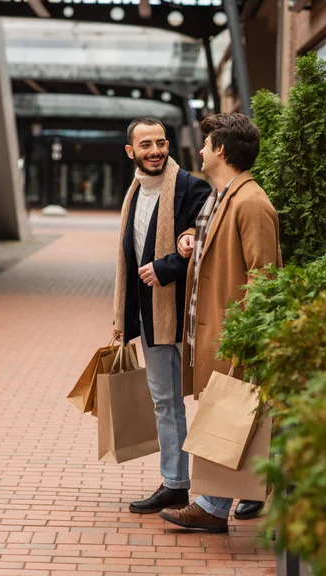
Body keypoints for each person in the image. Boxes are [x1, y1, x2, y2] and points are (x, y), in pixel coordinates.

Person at [159, 113, 283, 533]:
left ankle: (213, 506)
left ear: (222, 150)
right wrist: (188, 241)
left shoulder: (251, 202)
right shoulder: (221, 196)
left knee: (231, 418)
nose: (202, 148)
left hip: (233, 334)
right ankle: (219, 502)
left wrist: (245, 339)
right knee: (224, 417)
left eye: (209, 142)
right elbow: (211, 242)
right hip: (214, 329)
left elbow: (264, 276)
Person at [112, 117, 211, 513]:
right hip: (149, 315)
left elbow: (203, 244)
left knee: (203, 399)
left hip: (183, 313)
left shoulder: (191, 187)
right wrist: (122, 317)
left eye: (160, 143)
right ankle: (176, 483)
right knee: (164, 401)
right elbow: (129, 256)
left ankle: (195, 485)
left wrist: (167, 266)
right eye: (146, 145)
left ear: (168, 144)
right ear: (130, 151)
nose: (155, 151)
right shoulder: (134, 192)